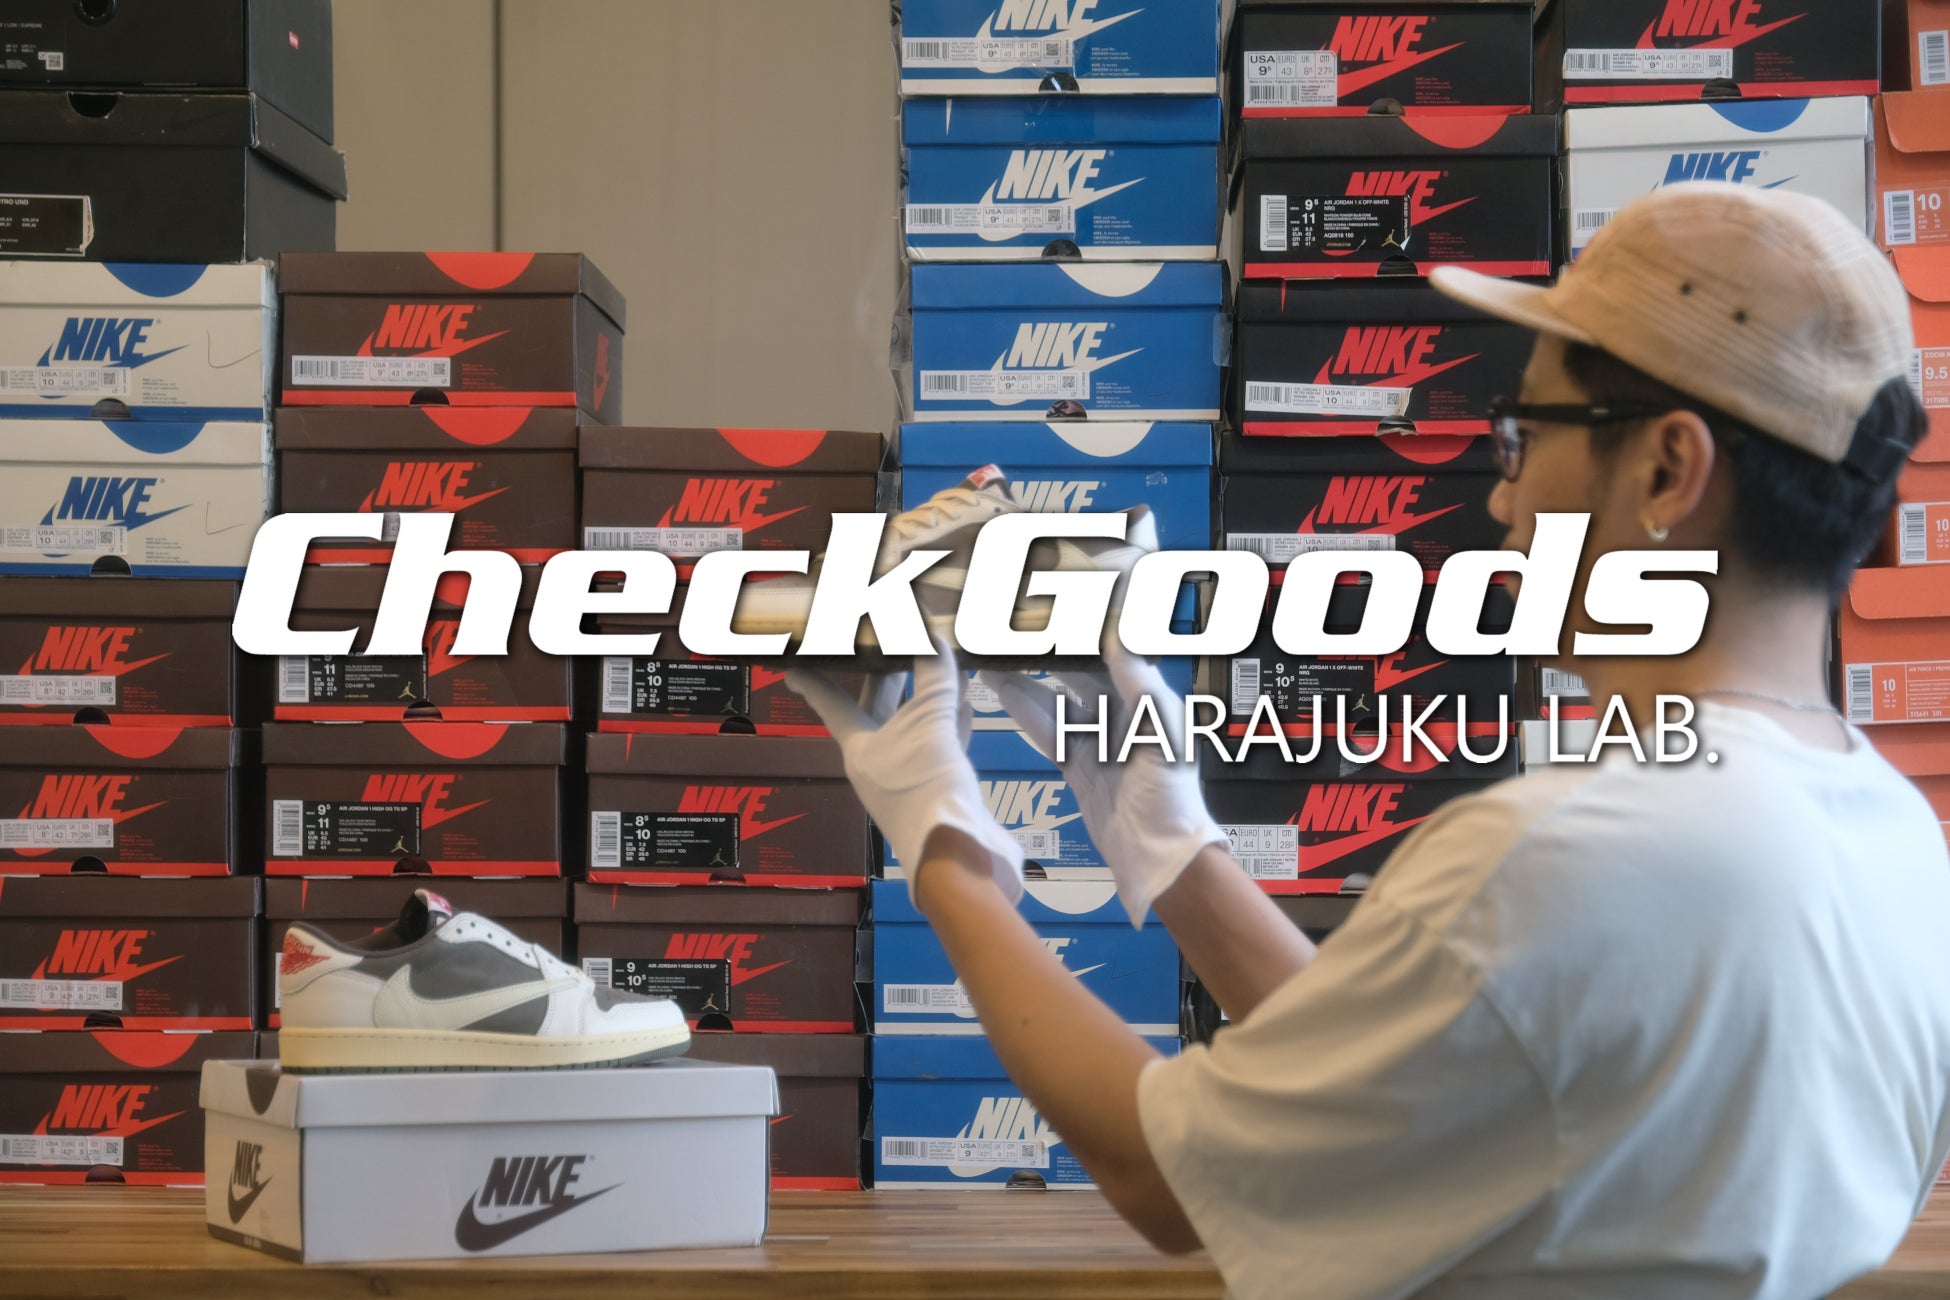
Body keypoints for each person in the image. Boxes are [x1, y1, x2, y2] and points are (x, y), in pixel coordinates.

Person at [787, 182, 1950, 1299]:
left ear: (1666, 467)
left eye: (1524, 436)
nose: (1500, 501)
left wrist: (942, 834)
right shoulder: (1901, 851)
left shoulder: (1562, 857)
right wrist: (1164, 833)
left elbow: (1166, 1177)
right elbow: (1406, 1072)